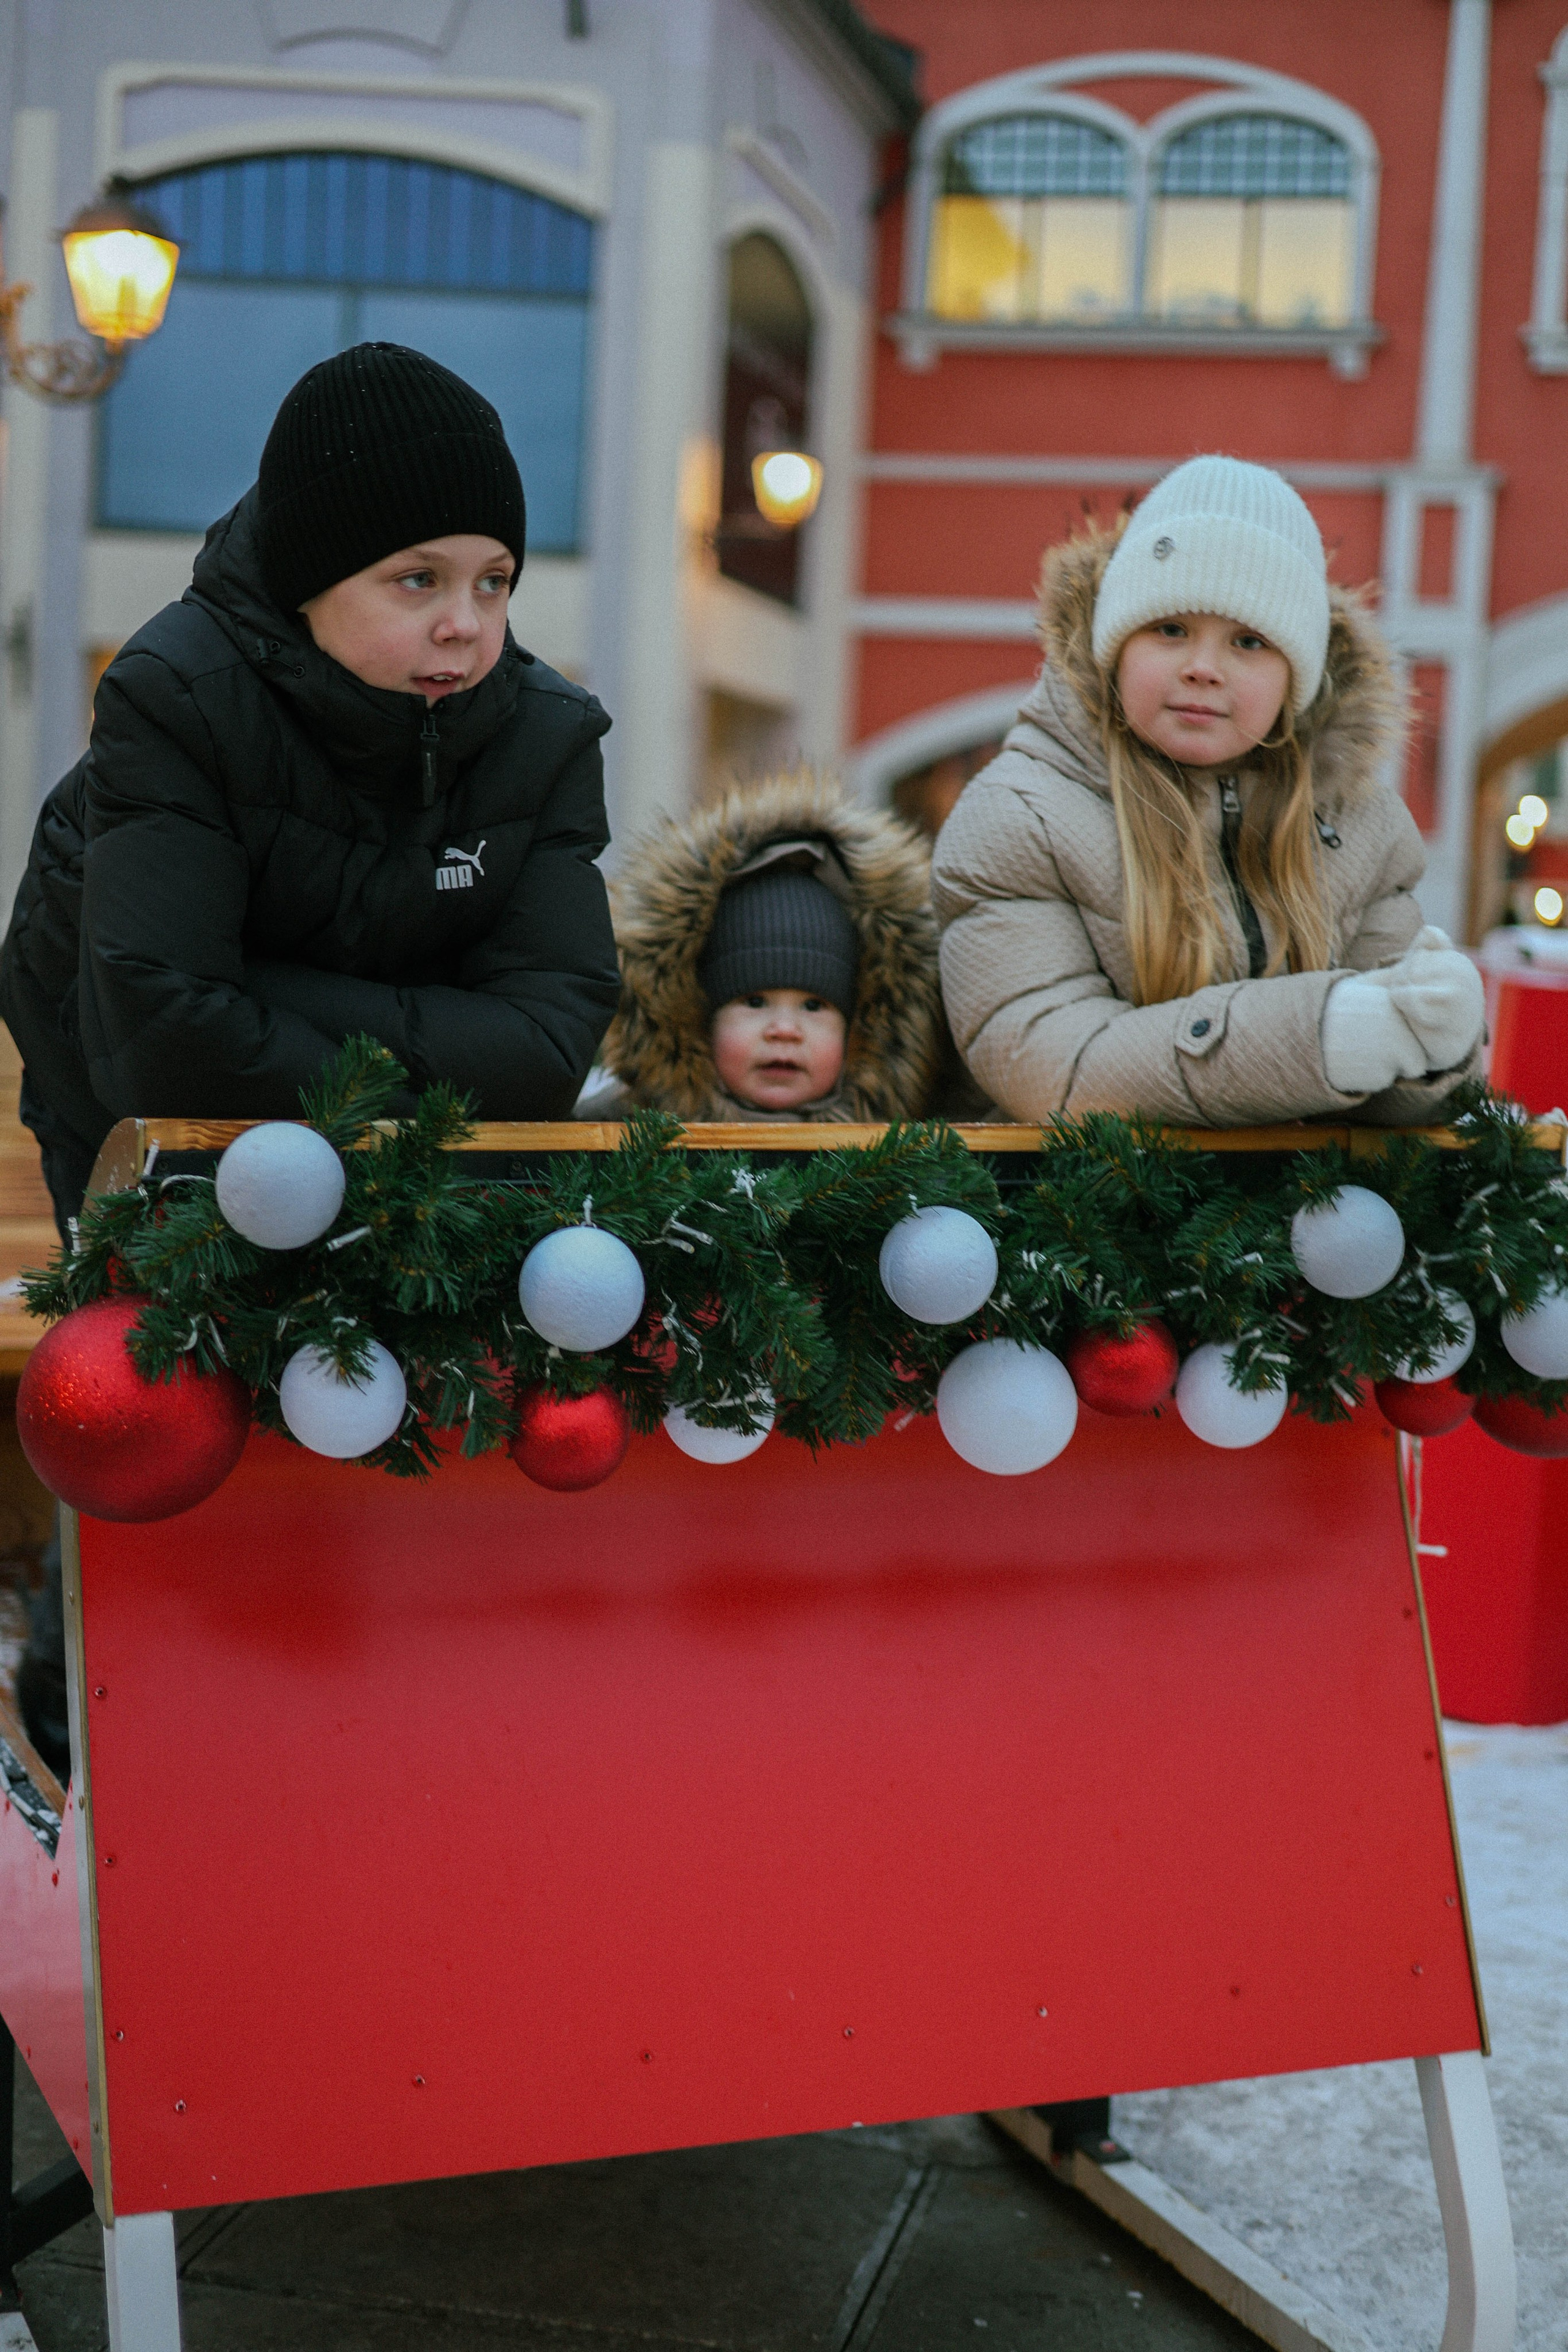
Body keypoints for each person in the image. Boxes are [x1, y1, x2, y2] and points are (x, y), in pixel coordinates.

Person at [1, 341, 622, 1773]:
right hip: (107, 1081)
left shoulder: (538, 734)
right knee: (171, 1379)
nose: (467, 625)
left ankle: (373, 1733)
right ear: (307, 576)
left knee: (387, 1364)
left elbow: (544, 1035)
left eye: (493, 581)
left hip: (332, 1080)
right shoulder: (176, 689)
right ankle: (102, 1676)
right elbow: (159, 1028)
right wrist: (253, 1021)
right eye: (417, 579)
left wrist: (266, 999)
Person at [932, 456, 1485, 1126]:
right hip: (1074, 1216)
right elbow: (1052, 1066)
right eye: (1170, 629)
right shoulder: (1020, 814)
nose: (1202, 669)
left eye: (1248, 642)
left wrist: (1434, 1041)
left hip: (1309, 1213)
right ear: (1116, 643)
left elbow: (1402, 1110)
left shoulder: (1361, 824)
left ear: (1295, 677)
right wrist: (1320, 1036)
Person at [585, 772, 944, 1121]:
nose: (784, 1030)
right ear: (694, 1021)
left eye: (814, 1006)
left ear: (862, 1032)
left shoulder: (909, 1155)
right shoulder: (617, 1137)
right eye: (755, 1002)